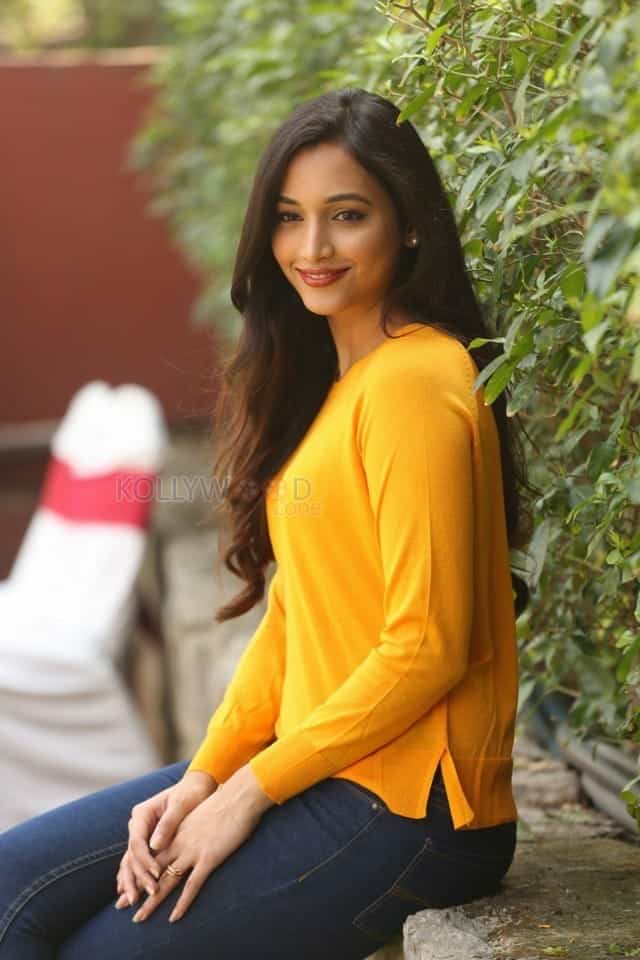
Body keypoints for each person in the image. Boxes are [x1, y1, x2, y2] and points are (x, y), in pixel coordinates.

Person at [0, 88, 534, 959]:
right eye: (290, 218)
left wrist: (247, 792)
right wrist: (208, 773)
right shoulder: (341, 387)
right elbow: (294, 617)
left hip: (413, 809)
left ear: (408, 226)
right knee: (10, 888)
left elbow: (427, 646)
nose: (311, 248)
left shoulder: (414, 382)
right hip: (328, 772)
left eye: (347, 216)